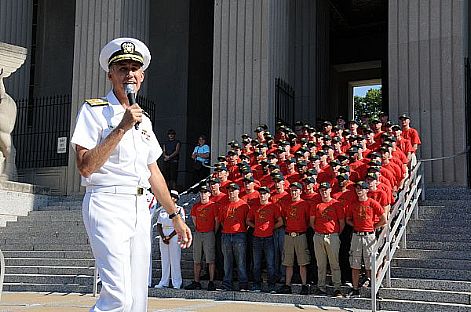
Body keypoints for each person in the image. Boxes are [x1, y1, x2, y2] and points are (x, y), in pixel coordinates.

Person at [70, 37, 191, 312]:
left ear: (142, 76)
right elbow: (85, 165)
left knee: (137, 301)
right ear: (110, 74)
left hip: (139, 207)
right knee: (117, 299)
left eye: (135, 69)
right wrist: (121, 128)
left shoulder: (144, 119)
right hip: (106, 202)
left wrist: (174, 216)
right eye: (122, 68)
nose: (129, 75)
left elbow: (153, 172)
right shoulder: (94, 111)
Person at [346, 181, 387, 297]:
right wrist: (356, 226)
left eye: (361, 188)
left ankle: (374, 288)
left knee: (371, 263)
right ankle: (355, 289)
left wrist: (373, 227)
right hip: (356, 236)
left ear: (366, 190)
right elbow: (348, 219)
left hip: (369, 236)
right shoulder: (353, 204)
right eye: (357, 188)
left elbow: (384, 219)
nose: (359, 191)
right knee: (355, 263)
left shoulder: (372, 203)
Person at [310, 182, 345, 297]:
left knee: (334, 263)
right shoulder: (317, 205)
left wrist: (334, 233)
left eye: (326, 189)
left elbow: (341, 222)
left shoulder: (336, 204)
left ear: (330, 190)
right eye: (322, 190)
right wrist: (319, 231)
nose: (324, 192)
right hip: (319, 236)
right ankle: (321, 287)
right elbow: (312, 222)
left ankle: (337, 287)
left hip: (332, 236)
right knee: (321, 264)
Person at [246, 186, 283, 293]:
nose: (262, 196)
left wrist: (271, 228)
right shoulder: (254, 207)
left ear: (268, 195)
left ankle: (271, 285)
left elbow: (280, 221)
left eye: (264, 193)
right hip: (257, 237)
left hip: (269, 237)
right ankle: (256, 284)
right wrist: (256, 226)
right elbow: (248, 221)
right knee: (256, 263)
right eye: (261, 194)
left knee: (270, 263)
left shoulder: (274, 207)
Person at [185, 185, 219, 291]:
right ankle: (196, 281)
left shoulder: (213, 206)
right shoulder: (196, 206)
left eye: (205, 192)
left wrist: (213, 231)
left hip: (209, 233)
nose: (203, 195)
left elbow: (217, 221)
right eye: (201, 193)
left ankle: (211, 281)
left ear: (209, 194)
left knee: (210, 259)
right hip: (199, 233)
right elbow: (194, 220)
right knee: (197, 259)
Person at [217, 182, 250, 291]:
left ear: (238, 191)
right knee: (227, 261)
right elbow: (222, 221)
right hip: (226, 235)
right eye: (229, 190)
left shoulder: (244, 205)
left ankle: (243, 284)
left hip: (239, 235)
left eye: (233, 190)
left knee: (241, 261)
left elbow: (248, 221)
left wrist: (241, 231)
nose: (231, 192)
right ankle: (227, 284)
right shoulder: (224, 205)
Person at [155, 190, 186, 289]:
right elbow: (159, 224)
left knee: (175, 259)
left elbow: (181, 225)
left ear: (176, 199)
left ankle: (176, 282)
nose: (170, 198)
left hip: (175, 234)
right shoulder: (163, 210)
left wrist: (170, 236)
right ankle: (163, 282)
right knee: (165, 260)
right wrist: (163, 236)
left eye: (172, 197)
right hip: (164, 234)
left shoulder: (179, 209)